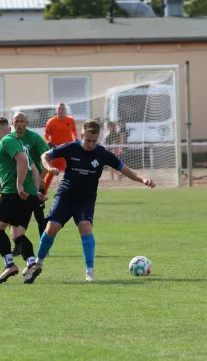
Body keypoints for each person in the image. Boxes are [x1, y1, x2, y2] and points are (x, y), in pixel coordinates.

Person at [36, 120, 156, 282]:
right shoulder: (70, 148)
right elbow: (45, 155)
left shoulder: (102, 154)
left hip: (86, 199)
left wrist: (143, 179)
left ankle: (89, 272)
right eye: (88, 140)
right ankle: (38, 263)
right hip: (66, 196)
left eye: (94, 141)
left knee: (85, 228)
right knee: (51, 228)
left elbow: (125, 170)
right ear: (82, 135)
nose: (91, 144)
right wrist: (49, 167)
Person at [0, 116, 46, 284]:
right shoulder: (20, 143)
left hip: (14, 193)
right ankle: (31, 263)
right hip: (28, 195)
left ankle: (9, 265)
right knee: (17, 234)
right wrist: (35, 192)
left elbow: (22, 161)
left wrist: (19, 185)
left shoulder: (7, 140)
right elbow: (35, 169)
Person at [0, 112, 50, 256]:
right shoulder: (10, 140)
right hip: (14, 185)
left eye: (22, 121)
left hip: (33, 181)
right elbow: (4, 163)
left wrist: (42, 177)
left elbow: (47, 156)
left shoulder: (34, 138)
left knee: (39, 216)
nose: (19, 124)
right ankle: (18, 246)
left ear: (26, 123)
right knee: (12, 217)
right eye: (16, 121)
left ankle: (44, 247)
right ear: (12, 124)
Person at [43, 103, 78, 194]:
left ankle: (72, 192)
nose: (61, 111)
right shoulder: (51, 121)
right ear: (56, 110)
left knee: (72, 170)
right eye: (59, 109)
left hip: (68, 150)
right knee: (51, 171)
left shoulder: (70, 120)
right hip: (56, 150)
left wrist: (76, 139)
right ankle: (44, 191)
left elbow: (74, 132)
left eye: (62, 109)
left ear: (65, 110)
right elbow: (45, 135)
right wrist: (47, 141)